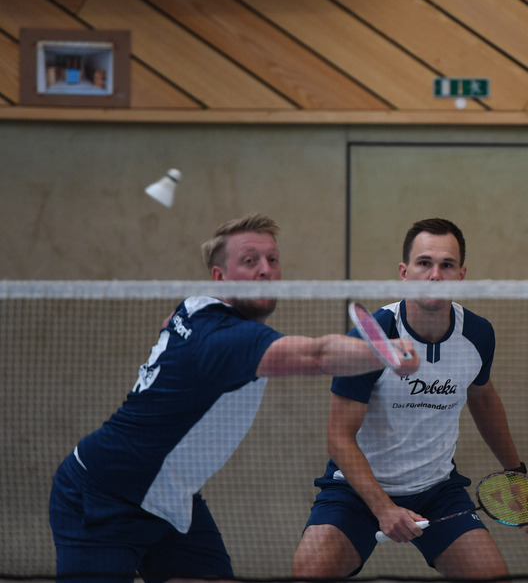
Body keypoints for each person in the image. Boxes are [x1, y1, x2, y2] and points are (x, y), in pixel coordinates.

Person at [48, 212, 419, 583]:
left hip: (171, 500)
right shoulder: (226, 340)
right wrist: (384, 352)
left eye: (272, 260)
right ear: (219, 276)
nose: (265, 271)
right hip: (102, 497)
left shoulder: (194, 307)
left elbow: (169, 323)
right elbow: (316, 356)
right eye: (249, 260)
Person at [292, 218, 528, 580]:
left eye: (446, 265)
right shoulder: (372, 336)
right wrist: (383, 508)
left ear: (461, 274)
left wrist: (515, 471)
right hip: (357, 491)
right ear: (404, 272)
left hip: (437, 490)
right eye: (424, 263)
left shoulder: (478, 335)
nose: (435, 274)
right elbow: (339, 436)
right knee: (309, 573)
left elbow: (482, 398)